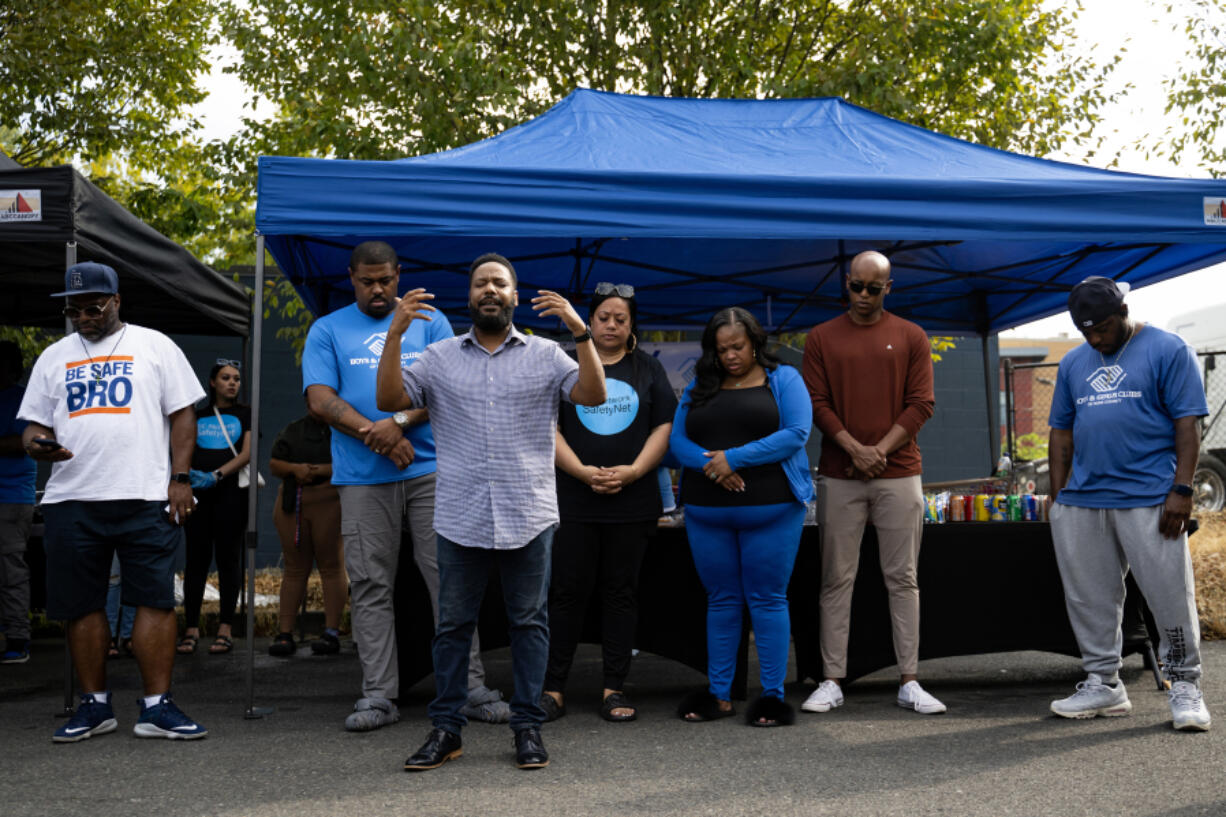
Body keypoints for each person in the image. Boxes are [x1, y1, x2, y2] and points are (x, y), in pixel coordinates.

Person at [376, 252, 605, 771]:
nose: (490, 290)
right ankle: (446, 730)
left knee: (529, 623)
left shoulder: (547, 354)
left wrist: (579, 331)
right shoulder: (437, 356)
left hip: (529, 512)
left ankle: (527, 728)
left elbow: (592, 396)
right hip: (461, 514)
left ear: (514, 296)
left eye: (499, 283)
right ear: (470, 296)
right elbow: (389, 396)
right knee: (453, 627)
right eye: (480, 283)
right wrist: (395, 334)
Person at [302, 241, 502, 732]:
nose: (377, 289)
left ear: (398, 275)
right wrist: (379, 437)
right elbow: (320, 399)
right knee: (370, 585)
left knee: (451, 582)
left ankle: (469, 688)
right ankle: (378, 696)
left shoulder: (429, 321)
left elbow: (450, 388)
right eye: (367, 281)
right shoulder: (327, 329)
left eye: (385, 280)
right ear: (351, 277)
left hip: (432, 472)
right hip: (361, 479)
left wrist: (396, 422)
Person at [18, 261, 207, 741]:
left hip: (145, 495)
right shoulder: (54, 356)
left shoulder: (155, 345)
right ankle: (94, 705)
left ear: (117, 301)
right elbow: (34, 427)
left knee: (155, 600)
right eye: (74, 309)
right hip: (73, 498)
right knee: (82, 605)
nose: (83, 316)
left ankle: (156, 706)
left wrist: (180, 478)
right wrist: (37, 444)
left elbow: (183, 416)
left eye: (93, 307)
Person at [1046, 276, 1211, 731]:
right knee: (1090, 599)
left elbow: (1187, 425)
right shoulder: (1075, 362)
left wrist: (1182, 490)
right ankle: (1104, 683)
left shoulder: (1167, 348)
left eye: (1101, 327)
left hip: (1149, 496)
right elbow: (1060, 430)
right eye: (1086, 331)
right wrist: (1058, 498)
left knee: (1168, 594)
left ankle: (1185, 685)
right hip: (1083, 500)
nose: (1094, 338)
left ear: (1122, 313)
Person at [801, 250, 945, 716]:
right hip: (841, 474)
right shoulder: (821, 338)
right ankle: (831, 678)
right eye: (856, 286)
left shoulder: (911, 336)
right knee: (835, 578)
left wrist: (878, 449)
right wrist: (855, 449)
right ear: (846, 282)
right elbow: (816, 403)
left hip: (899, 472)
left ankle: (910, 679)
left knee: (903, 578)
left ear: (890, 287)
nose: (863, 296)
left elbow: (922, 403)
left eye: (873, 288)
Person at [669, 307, 813, 727]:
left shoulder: (783, 379)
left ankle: (772, 696)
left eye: (738, 347)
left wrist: (735, 459)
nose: (731, 355)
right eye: (722, 349)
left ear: (755, 342)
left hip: (773, 510)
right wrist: (713, 466)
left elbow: (796, 433)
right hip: (706, 512)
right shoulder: (700, 385)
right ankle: (720, 695)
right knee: (722, 601)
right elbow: (678, 442)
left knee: (767, 599)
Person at [542, 282, 676, 723]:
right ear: (590, 320)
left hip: (631, 501)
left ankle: (613, 689)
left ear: (632, 324)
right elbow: (547, 426)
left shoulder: (648, 370)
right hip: (572, 500)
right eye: (604, 317)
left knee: (621, 594)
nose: (612, 325)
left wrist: (635, 471)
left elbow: (664, 427)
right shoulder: (565, 366)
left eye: (621, 319)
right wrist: (580, 471)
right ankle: (553, 689)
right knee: (565, 594)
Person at [178, 361, 250, 656]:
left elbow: (248, 453)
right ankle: (191, 628)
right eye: (225, 378)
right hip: (198, 496)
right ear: (212, 382)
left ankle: (225, 628)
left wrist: (217, 475)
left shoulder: (245, 413)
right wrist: (188, 478)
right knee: (195, 560)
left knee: (228, 559)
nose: (232, 383)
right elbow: (183, 449)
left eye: (236, 378)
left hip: (231, 495)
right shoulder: (197, 416)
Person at [267, 410, 347, 655]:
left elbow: (353, 463)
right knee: (294, 568)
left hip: (329, 499)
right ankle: (285, 633)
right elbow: (274, 464)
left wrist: (321, 470)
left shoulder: (343, 429)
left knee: (331, 566)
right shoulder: (293, 430)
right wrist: (295, 469)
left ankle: (331, 632)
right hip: (294, 501)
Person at [0, 340, 35, 664]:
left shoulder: (21, 398)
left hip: (11, 498)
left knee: (11, 571)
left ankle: (18, 638)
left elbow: (22, 442)